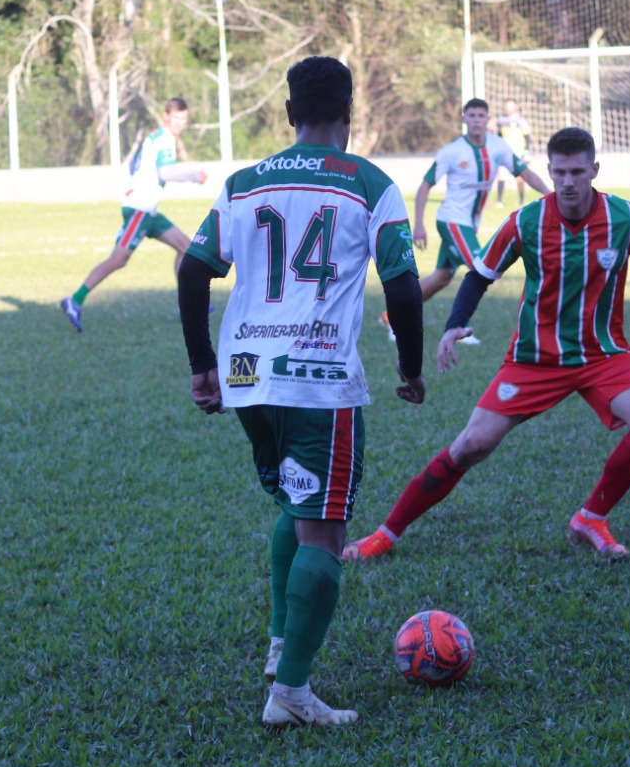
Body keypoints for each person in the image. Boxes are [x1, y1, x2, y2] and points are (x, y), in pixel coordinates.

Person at [177, 56, 426, 728]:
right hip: (317, 379)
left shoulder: (243, 183)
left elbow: (193, 270)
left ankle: (280, 642)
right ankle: (290, 693)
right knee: (325, 526)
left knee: (296, 499)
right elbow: (403, 286)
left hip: (246, 376)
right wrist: (410, 367)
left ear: (288, 113)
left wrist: (202, 365)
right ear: (350, 113)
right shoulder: (370, 183)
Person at [345, 127, 630, 564]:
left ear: (594, 170)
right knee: (471, 445)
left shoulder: (627, 219)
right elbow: (479, 276)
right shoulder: (527, 221)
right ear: (550, 171)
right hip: (534, 359)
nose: (568, 182)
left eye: (577, 172)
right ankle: (385, 534)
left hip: (603, 354)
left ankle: (591, 517)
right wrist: (455, 324)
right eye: (560, 172)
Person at [380, 98, 550, 345]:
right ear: (464, 119)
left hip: (469, 224)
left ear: (488, 119)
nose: (477, 120)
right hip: (452, 221)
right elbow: (425, 185)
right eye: (472, 116)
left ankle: (390, 317)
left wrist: (549, 195)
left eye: (481, 116)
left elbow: (524, 172)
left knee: (440, 279)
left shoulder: (498, 146)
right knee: (481, 268)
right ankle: (457, 328)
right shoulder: (452, 152)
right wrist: (418, 224)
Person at [61, 97, 208, 332]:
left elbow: (137, 168)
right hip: (140, 208)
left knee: (185, 247)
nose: (180, 123)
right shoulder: (164, 140)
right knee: (118, 259)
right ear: (166, 116)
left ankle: (186, 306)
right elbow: (166, 172)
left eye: (183, 119)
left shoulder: (156, 138)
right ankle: (74, 300)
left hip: (147, 209)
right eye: (176, 118)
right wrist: (194, 175)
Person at [494, 100, 531, 208]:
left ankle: (521, 201)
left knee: (520, 178)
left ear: (516, 106)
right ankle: (499, 201)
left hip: (518, 154)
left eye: (511, 106)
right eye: (507, 106)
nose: (508, 108)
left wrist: (526, 151)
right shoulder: (501, 120)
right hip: (505, 154)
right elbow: (499, 136)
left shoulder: (521, 120)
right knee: (501, 176)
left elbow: (527, 136)